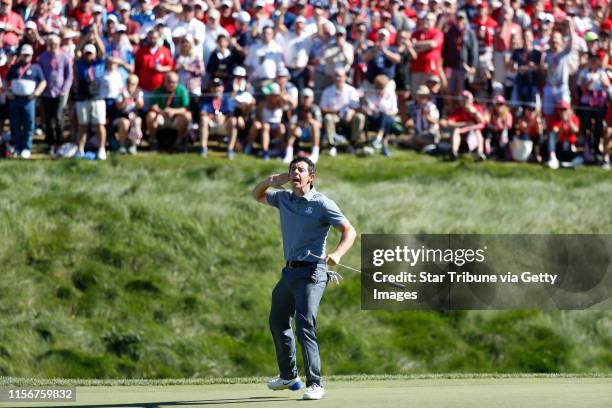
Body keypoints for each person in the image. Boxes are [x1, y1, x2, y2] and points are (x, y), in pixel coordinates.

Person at [251, 156, 356, 401]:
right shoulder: (284, 198)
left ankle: (315, 383)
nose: (295, 173)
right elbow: (256, 195)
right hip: (289, 272)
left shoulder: (322, 204)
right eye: (292, 170)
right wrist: (272, 180)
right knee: (277, 321)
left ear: (311, 176)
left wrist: (338, 254)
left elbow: (349, 231)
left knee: (304, 324)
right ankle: (289, 376)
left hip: (313, 272)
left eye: (300, 170)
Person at [5, 44, 46, 159]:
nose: (26, 57)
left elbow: (43, 82)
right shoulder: (14, 67)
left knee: (28, 124)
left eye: (28, 55)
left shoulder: (36, 68)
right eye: (24, 55)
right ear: (20, 55)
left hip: (29, 100)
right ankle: (17, 147)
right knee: (15, 124)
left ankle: (26, 148)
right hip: (15, 99)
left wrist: (36, 94)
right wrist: (8, 92)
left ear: (31, 56)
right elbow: (5, 80)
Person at [38, 33, 73, 156]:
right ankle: (50, 144)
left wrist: (64, 89)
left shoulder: (65, 57)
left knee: (59, 118)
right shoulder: (42, 57)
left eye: (56, 44)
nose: (53, 46)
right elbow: (40, 74)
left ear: (59, 45)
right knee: (48, 120)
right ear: (48, 44)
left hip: (60, 92)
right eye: (51, 44)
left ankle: (59, 142)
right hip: (47, 93)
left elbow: (69, 75)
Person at [74, 39, 107, 159]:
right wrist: (87, 36)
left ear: (94, 54)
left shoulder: (99, 63)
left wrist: (96, 36)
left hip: (97, 98)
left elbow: (103, 50)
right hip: (83, 98)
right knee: (82, 125)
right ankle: (80, 149)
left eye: (90, 53)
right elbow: (76, 50)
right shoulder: (80, 63)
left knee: (99, 125)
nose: (88, 56)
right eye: (86, 53)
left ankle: (102, 148)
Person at [320, 67, 364, 156]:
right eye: (336, 76)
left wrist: (351, 112)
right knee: (328, 118)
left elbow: (357, 107)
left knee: (360, 117)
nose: (338, 78)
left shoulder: (351, 90)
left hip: (349, 116)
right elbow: (322, 108)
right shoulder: (327, 91)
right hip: (334, 115)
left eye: (340, 76)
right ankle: (331, 145)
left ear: (345, 77)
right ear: (333, 78)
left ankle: (353, 144)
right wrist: (334, 111)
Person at [145, 71, 191, 149]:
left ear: (177, 82)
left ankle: (179, 141)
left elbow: (185, 108)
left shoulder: (182, 91)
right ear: (165, 81)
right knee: (150, 115)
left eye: (173, 82)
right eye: (168, 81)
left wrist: (173, 111)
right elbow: (153, 106)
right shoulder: (158, 90)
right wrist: (162, 111)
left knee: (188, 116)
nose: (171, 84)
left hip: (176, 117)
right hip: (161, 116)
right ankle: (154, 141)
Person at [444, 89, 487, 160]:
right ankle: (454, 152)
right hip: (463, 132)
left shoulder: (477, 108)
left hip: (474, 132)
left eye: (467, 99)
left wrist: (474, 112)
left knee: (477, 132)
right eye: (463, 99)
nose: (465, 101)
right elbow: (449, 123)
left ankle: (480, 153)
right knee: (456, 130)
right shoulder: (458, 110)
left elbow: (482, 121)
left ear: (471, 99)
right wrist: (464, 124)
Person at [199, 77, 235, 158]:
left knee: (233, 120)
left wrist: (223, 116)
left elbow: (231, 113)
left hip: (224, 123)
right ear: (211, 88)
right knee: (203, 119)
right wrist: (210, 116)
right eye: (214, 86)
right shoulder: (206, 98)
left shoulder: (227, 99)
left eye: (218, 86)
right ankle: (203, 148)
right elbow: (203, 112)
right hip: (211, 123)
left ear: (223, 88)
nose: (216, 89)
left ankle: (230, 149)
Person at [283, 87, 321, 163]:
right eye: (303, 97)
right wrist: (298, 123)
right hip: (300, 131)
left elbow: (319, 125)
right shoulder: (297, 109)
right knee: (292, 128)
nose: (305, 99)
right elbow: (292, 123)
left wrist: (309, 120)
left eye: (307, 97)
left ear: (312, 98)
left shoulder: (315, 108)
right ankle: (289, 154)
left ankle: (315, 154)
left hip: (312, 132)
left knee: (315, 127)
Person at [114, 74, 144, 155]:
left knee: (137, 121)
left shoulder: (139, 92)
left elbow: (140, 106)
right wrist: (125, 98)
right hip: (121, 116)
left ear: (137, 84)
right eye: (128, 82)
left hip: (134, 116)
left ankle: (133, 146)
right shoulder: (121, 92)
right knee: (125, 123)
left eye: (132, 83)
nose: (130, 85)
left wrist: (136, 97)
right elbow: (119, 107)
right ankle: (122, 146)